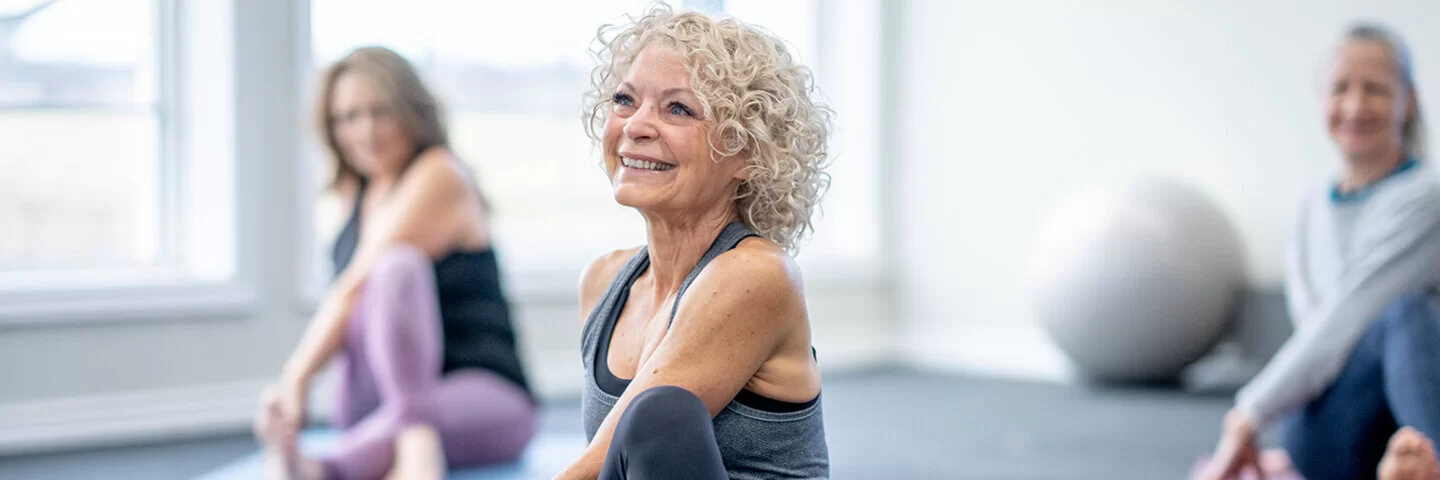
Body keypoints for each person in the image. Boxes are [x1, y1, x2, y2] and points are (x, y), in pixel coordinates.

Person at [553, 4, 833, 479]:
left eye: (678, 108)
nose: (635, 125)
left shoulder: (757, 275)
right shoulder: (603, 282)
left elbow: (600, 462)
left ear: (746, 152)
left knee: (660, 413)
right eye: (624, 100)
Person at [253, 46, 535, 480]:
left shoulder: (440, 173)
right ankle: (338, 457)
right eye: (347, 117)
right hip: (376, 406)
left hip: (484, 392)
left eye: (380, 112)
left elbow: (353, 286)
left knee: (394, 268)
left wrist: (297, 378)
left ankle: (334, 466)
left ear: (411, 112)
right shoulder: (358, 191)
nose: (365, 131)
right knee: (395, 410)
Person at [1202, 23, 1440, 480]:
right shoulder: (1311, 202)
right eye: (1340, 89)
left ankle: (1418, 465)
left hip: (1405, 420)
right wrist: (1249, 416)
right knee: (1404, 313)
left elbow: (1350, 316)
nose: (1355, 105)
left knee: (1409, 314)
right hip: (1326, 430)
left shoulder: (1424, 198)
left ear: (1407, 101)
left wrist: (1249, 411)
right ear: (1321, 101)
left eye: (1375, 89)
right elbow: (1320, 330)